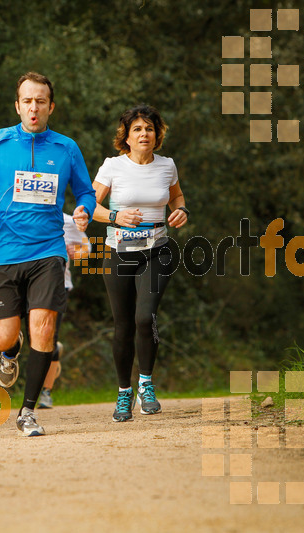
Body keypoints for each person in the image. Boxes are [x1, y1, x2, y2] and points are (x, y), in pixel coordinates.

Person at [0, 72, 97, 436]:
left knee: (45, 329)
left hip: (48, 251)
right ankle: (10, 352)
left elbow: (86, 192)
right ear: (17, 105)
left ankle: (28, 411)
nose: (33, 107)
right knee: (3, 337)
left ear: (51, 106)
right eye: (27, 101)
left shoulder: (66, 148)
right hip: (4, 252)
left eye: (40, 101)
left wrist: (84, 209)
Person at [91, 104, 187, 422]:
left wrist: (182, 211)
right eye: (137, 129)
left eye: (149, 128)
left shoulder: (167, 166)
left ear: (157, 134)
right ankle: (123, 393)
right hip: (118, 252)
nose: (144, 133)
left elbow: (177, 197)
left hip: (157, 250)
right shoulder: (112, 167)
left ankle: (145, 383)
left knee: (145, 318)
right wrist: (116, 216)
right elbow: (90, 205)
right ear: (127, 137)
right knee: (123, 324)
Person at [37, 213, 90, 409]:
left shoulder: (68, 221)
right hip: (26, 285)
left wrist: (77, 251)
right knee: (32, 337)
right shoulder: (23, 213)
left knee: (48, 337)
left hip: (60, 284)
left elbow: (87, 248)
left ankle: (45, 392)